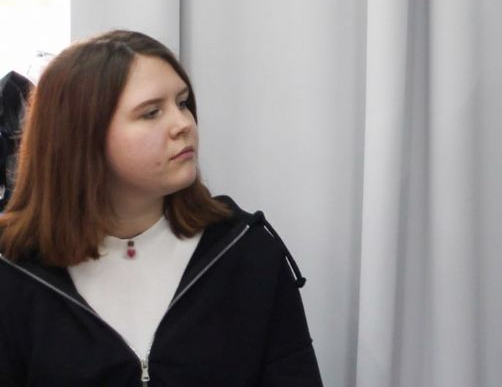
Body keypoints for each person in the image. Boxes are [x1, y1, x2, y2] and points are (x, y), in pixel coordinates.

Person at [0, 30, 323, 386]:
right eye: (151, 113)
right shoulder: (13, 272)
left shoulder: (246, 251)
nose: (183, 124)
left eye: (183, 103)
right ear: (80, 134)